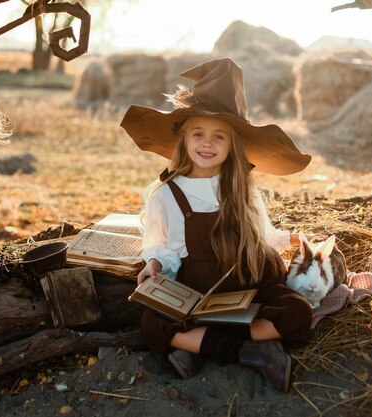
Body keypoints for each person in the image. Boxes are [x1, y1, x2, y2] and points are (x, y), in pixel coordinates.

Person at [120, 57, 314, 393]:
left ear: (233, 146)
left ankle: (202, 346)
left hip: (248, 279)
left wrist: (292, 240)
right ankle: (249, 352)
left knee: (298, 312)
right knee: (152, 325)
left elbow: (263, 233)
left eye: (219, 136)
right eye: (198, 134)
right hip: (198, 288)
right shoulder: (167, 194)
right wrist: (154, 263)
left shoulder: (241, 186)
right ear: (183, 140)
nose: (207, 143)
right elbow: (159, 243)